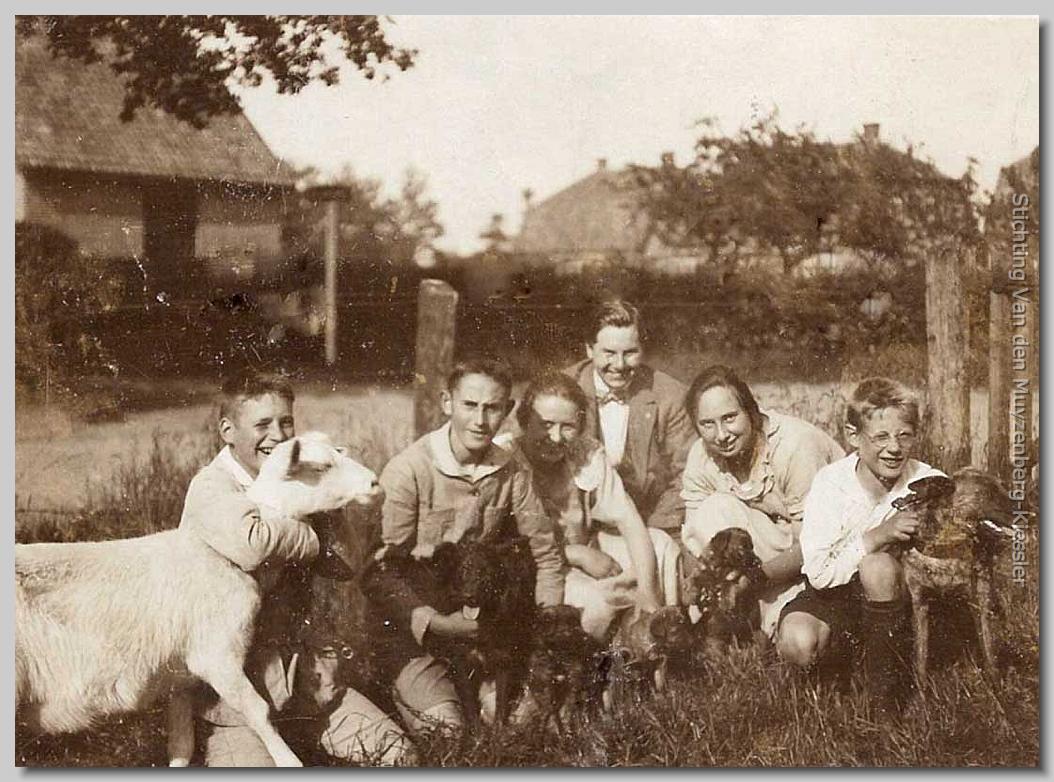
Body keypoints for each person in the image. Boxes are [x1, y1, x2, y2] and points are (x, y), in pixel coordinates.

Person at [178, 370, 413, 767]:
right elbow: (251, 546)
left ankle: (301, 729)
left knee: (400, 756)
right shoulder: (212, 488)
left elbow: (345, 566)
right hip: (232, 695)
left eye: (286, 421)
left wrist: (330, 492)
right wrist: (312, 533)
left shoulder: (306, 478)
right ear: (228, 430)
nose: (278, 435)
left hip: (304, 678)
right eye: (262, 424)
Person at [361, 357, 565, 733]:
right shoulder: (410, 469)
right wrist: (434, 621)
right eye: (470, 405)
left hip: (481, 630)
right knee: (448, 732)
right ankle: (396, 689)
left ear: (508, 410)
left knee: (519, 723)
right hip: (416, 632)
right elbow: (379, 570)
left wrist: (547, 628)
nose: (481, 420)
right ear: (447, 403)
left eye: (492, 408)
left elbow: (545, 553)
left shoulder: (512, 470)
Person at [776, 377, 944, 715]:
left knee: (877, 566)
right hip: (833, 595)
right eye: (881, 436)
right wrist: (877, 535)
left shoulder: (927, 482)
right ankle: (844, 667)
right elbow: (820, 574)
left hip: (894, 598)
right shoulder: (831, 483)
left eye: (904, 435)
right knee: (798, 640)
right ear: (853, 436)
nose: (894, 448)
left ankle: (883, 702)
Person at [503, 371, 680, 640]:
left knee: (661, 545)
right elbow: (505, 548)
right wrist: (576, 554)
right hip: (541, 568)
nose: (556, 436)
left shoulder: (584, 455)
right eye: (546, 424)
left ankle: (659, 631)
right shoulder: (504, 459)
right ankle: (604, 658)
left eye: (568, 426)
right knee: (596, 599)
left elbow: (629, 521)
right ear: (525, 421)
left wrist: (647, 590)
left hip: (588, 546)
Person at [680, 365, 844, 642]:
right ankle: (737, 621)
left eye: (730, 418)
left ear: (751, 411)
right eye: (707, 424)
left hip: (821, 556)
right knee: (712, 509)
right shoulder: (702, 454)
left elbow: (813, 546)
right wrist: (695, 586)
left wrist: (752, 580)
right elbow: (693, 540)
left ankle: (772, 618)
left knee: (798, 641)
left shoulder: (796, 446)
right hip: (762, 557)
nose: (721, 435)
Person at [563, 299, 696, 533]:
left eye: (630, 353)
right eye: (609, 353)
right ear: (589, 349)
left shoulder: (671, 396)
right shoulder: (561, 389)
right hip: (576, 522)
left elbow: (687, 475)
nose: (619, 365)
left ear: (642, 349)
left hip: (650, 520)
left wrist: (653, 532)